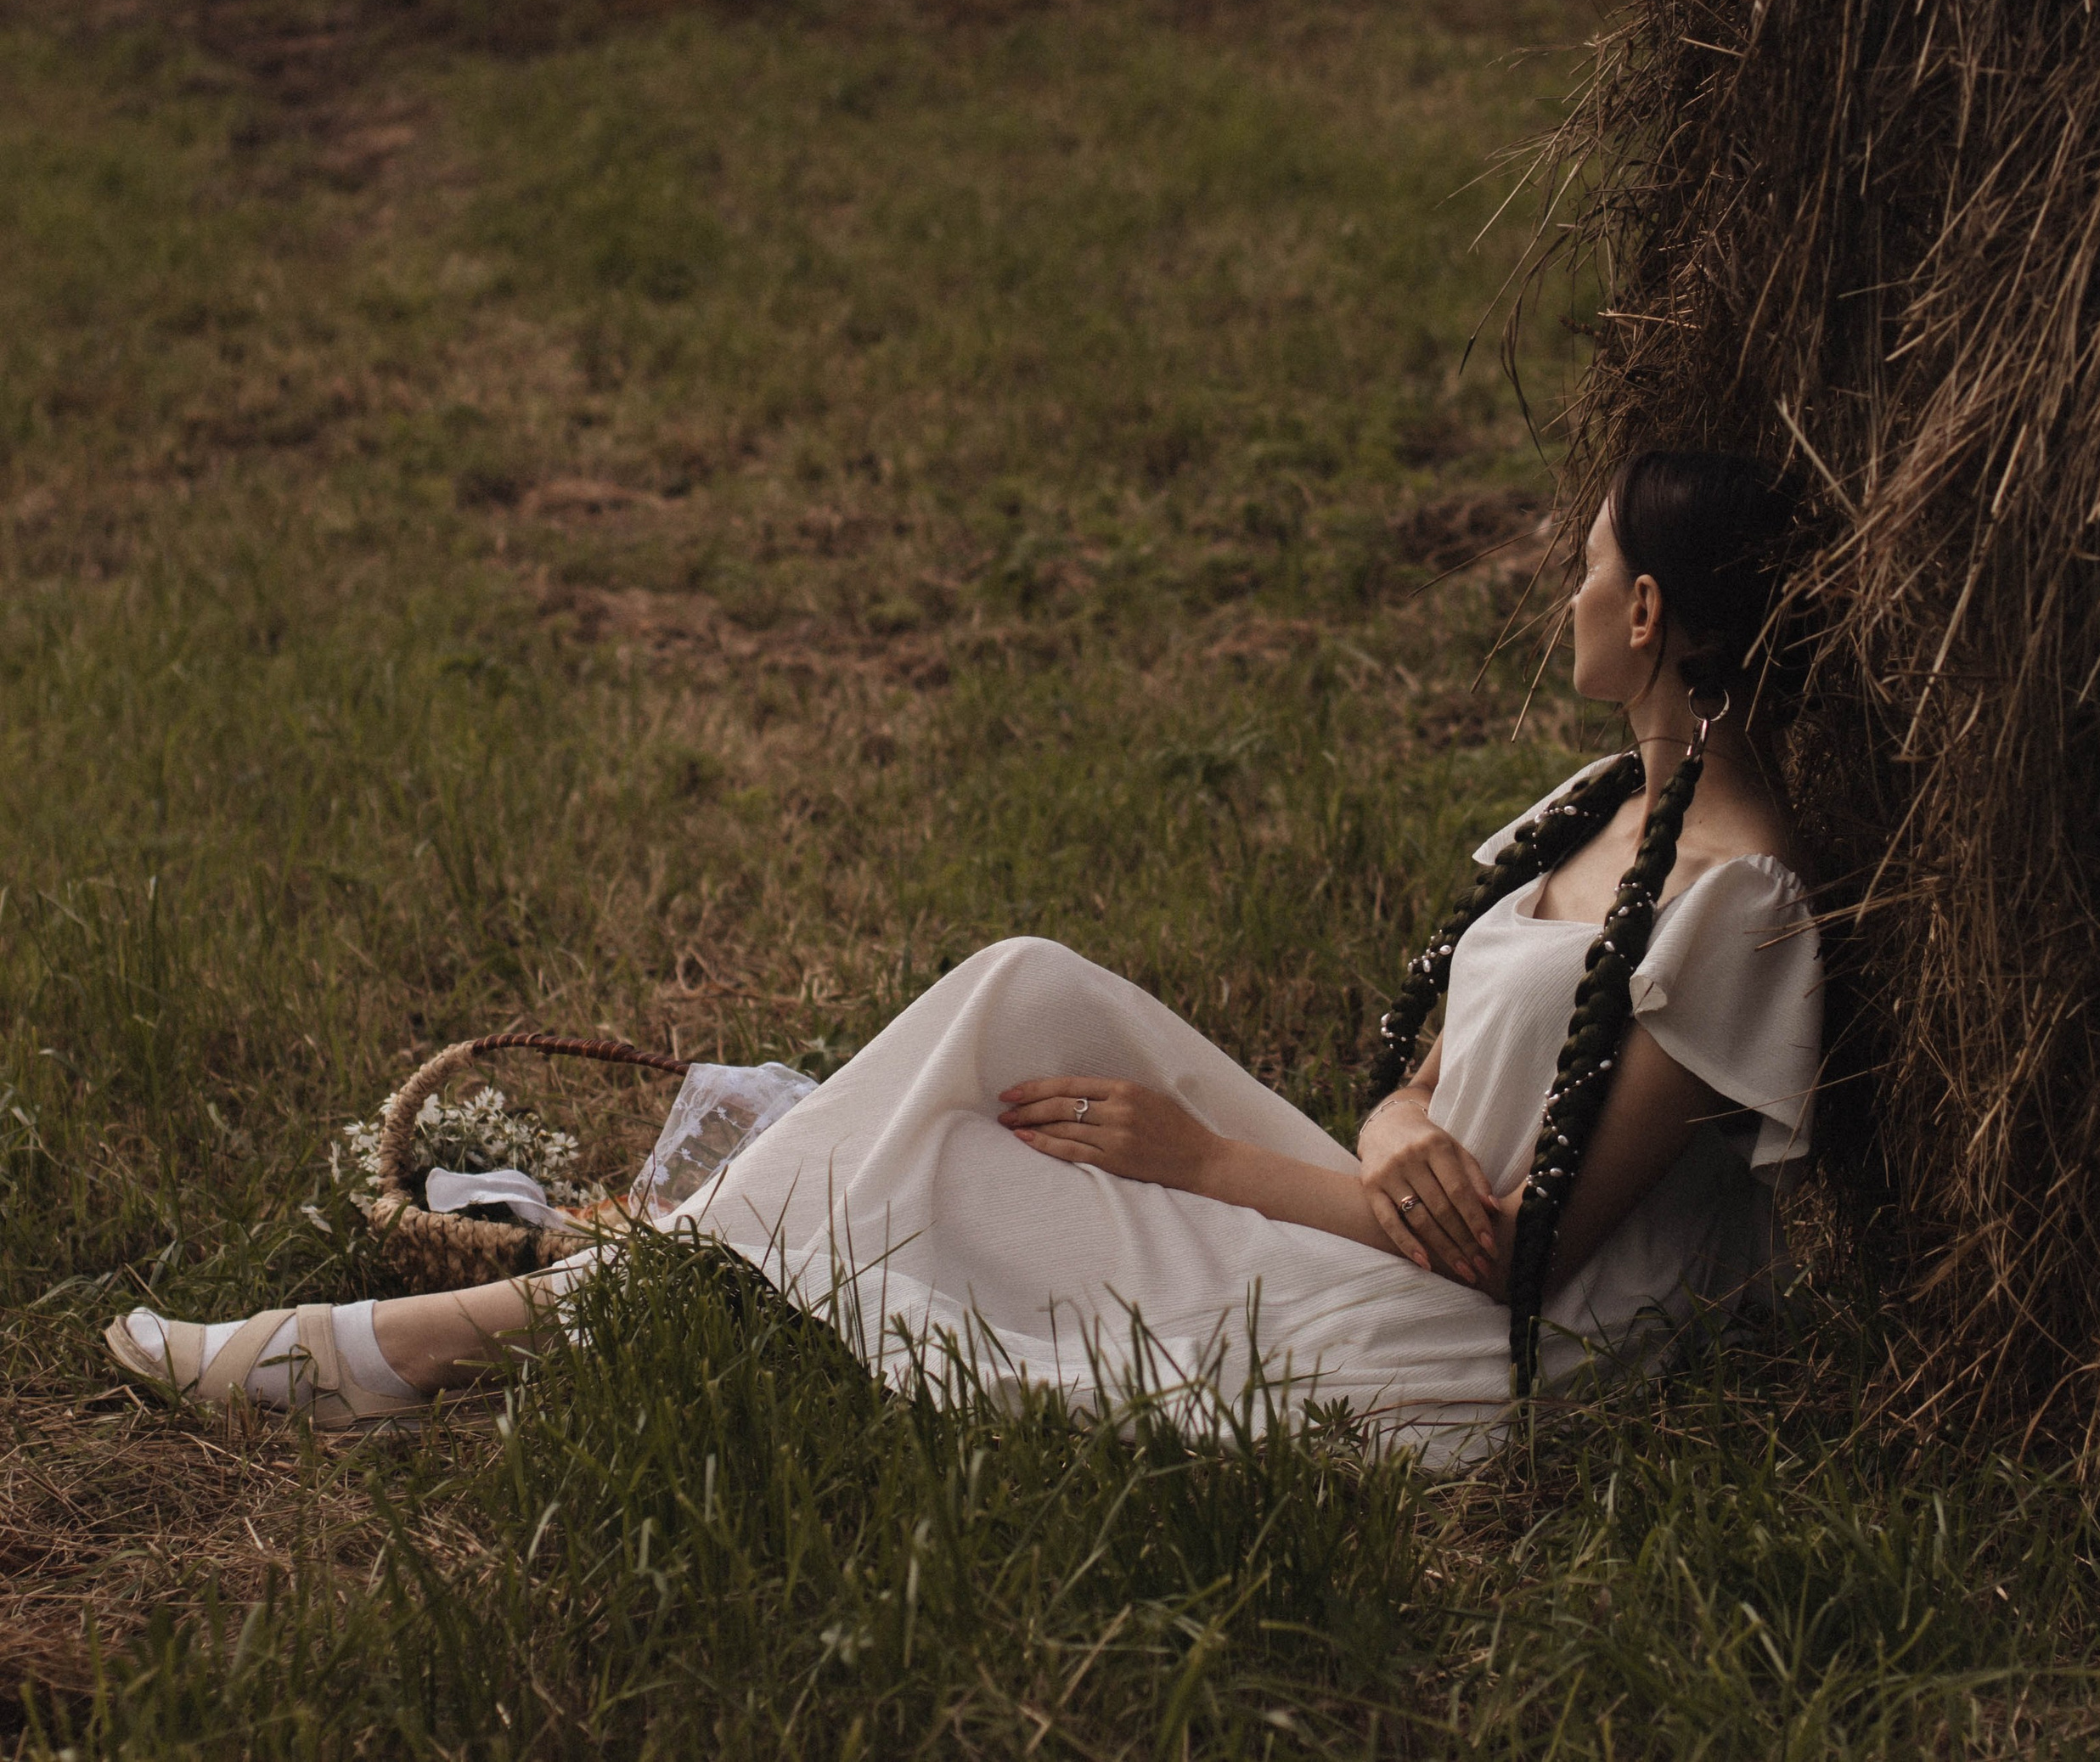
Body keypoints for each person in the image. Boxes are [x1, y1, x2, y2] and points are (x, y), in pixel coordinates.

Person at [105, 449, 1822, 1465]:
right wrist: (1374, 1128)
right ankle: (439, 1336)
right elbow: (1422, 1095)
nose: (1566, 590)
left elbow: (1525, 1260)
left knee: (936, 1185)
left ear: (1652, 613)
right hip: (1385, 1215)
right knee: (1018, 990)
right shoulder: (1598, 804)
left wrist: (1200, 1162)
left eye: (1589, 566)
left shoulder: (1730, 905)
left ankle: (396, 1352)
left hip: (1485, 1352)